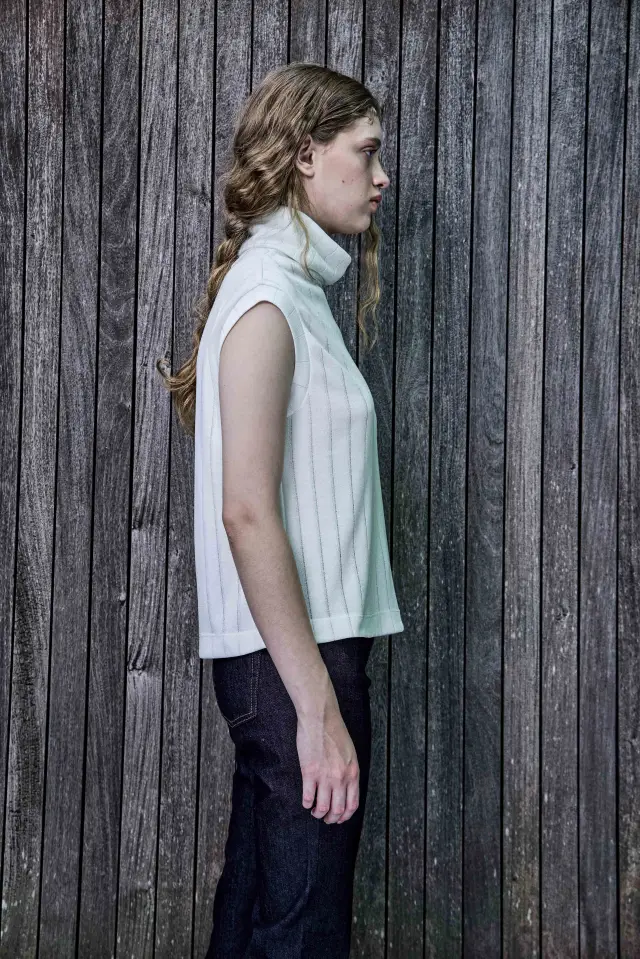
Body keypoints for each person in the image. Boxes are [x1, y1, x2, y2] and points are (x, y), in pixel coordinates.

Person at [157, 61, 404, 959]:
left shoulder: (289, 289)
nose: (381, 177)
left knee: (260, 913)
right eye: (366, 152)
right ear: (305, 155)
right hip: (295, 660)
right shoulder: (268, 296)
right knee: (302, 931)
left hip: (292, 657)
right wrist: (318, 707)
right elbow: (247, 511)